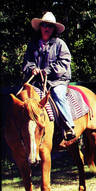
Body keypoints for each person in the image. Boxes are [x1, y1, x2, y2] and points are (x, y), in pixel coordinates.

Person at [22, 11, 76, 141]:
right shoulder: (32, 44)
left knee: (58, 94)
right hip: (38, 82)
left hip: (57, 80)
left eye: (50, 26)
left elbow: (64, 62)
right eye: (44, 25)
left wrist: (48, 70)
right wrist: (32, 69)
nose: (47, 28)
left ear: (54, 29)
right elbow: (27, 61)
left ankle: (69, 125)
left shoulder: (60, 44)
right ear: (40, 27)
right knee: (24, 97)